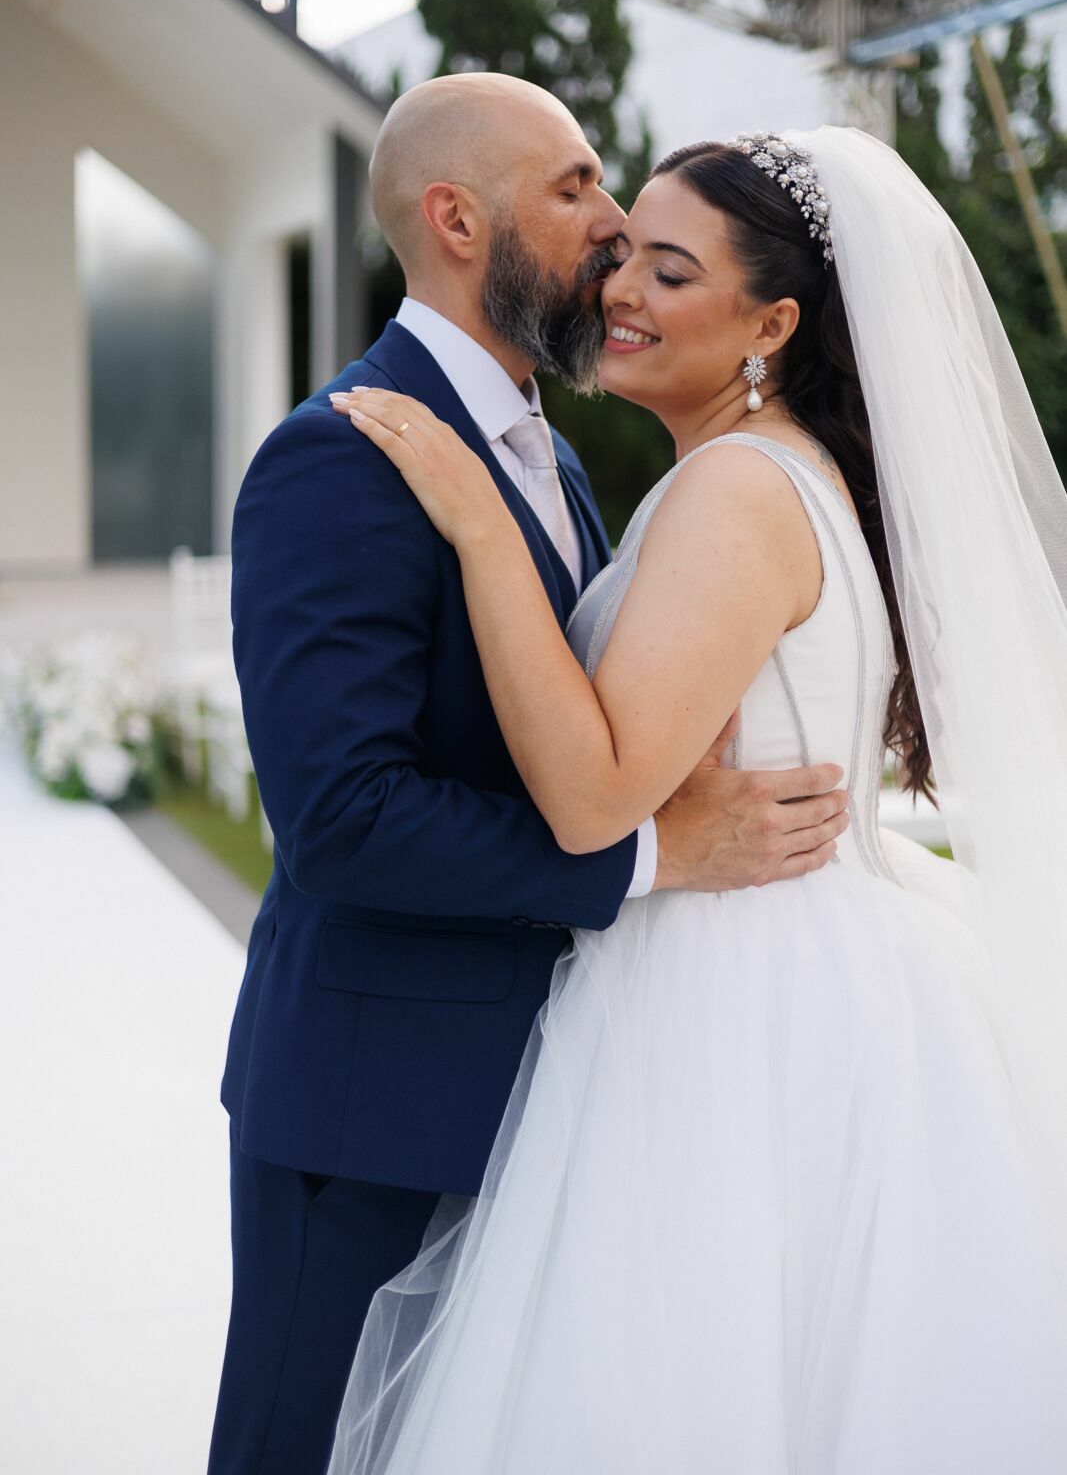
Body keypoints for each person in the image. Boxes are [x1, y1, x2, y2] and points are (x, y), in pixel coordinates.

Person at [325, 127, 1067, 1473]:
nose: (619, 291)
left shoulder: (737, 489)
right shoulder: (767, 473)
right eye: (623, 256)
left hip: (735, 999)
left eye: (670, 273)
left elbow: (594, 800)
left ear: (771, 325)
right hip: (799, 960)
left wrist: (481, 529)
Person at [208, 81, 848, 1475]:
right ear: (458, 220)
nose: (614, 223)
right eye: (574, 188)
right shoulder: (341, 457)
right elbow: (341, 821)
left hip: (556, 1104)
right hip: (372, 1108)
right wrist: (652, 855)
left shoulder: (550, 455)